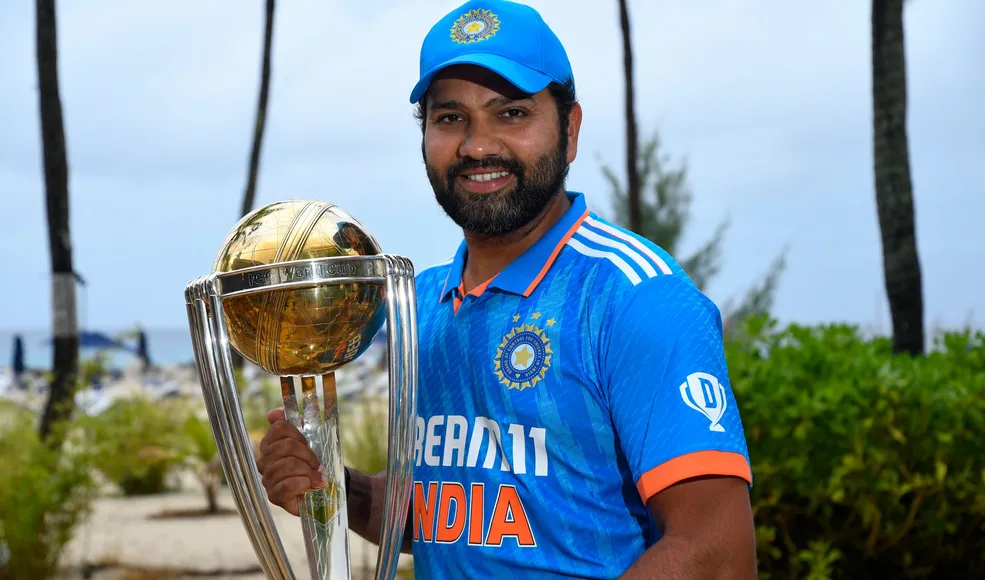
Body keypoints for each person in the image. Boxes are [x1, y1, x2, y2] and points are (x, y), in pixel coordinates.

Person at [256, 0, 757, 577]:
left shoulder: (634, 297)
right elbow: (452, 518)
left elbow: (716, 552)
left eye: (512, 113)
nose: (477, 145)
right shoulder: (422, 306)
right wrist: (333, 486)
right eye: (450, 118)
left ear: (569, 130)